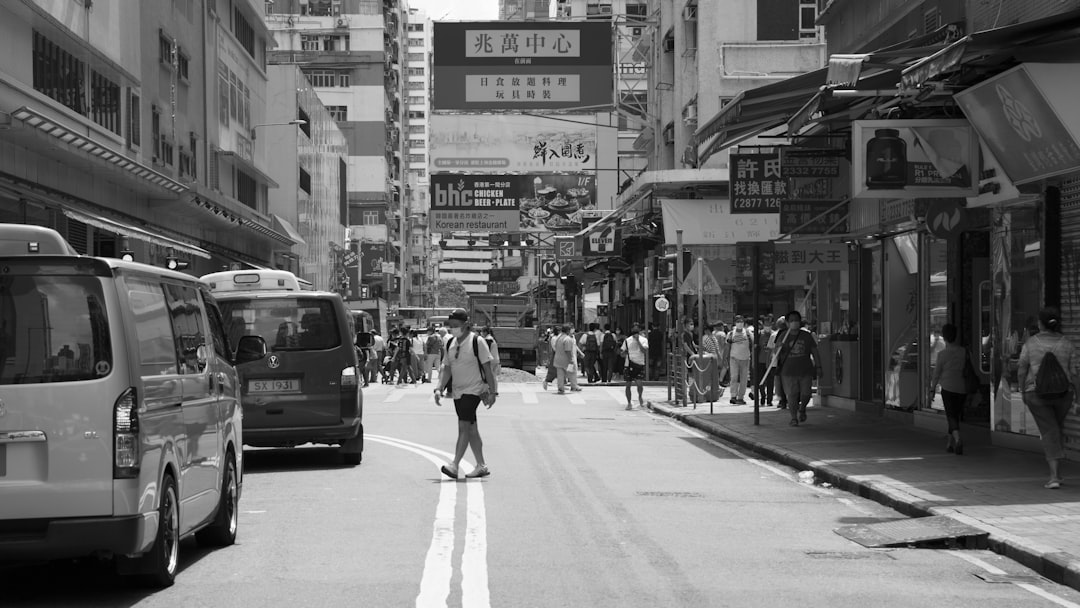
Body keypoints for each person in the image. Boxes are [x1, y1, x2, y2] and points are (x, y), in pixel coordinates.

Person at [1017, 307, 1078, 489]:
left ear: (1040, 324)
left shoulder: (1030, 343)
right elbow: (1074, 373)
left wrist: (1021, 390)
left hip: (1036, 394)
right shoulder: (1067, 343)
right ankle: (1057, 472)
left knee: (1050, 430)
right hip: (1064, 394)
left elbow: (1021, 369)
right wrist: (1078, 397)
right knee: (1054, 428)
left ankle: (1054, 477)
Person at [435, 308, 498, 480]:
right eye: (451, 326)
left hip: (474, 390)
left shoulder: (478, 342)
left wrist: (493, 391)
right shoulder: (450, 343)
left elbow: (488, 368)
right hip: (457, 391)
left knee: (463, 426)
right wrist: (439, 388)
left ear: (466, 325)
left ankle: (454, 465)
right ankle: (481, 465)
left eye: (456, 325)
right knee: (471, 429)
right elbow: (446, 368)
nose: (453, 329)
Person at [927, 323, 971, 455]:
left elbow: (936, 374)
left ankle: (957, 440)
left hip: (947, 388)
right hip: (962, 388)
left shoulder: (942, 354)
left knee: (950, 416)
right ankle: (949, 443)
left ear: (944, 337)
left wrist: (932, 389)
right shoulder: (964, 351)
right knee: (954, 416)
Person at [775, 311, 822, 426]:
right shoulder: (783, 336)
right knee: (791, 395)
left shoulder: (806, 336)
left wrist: (819, 366)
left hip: (805, 370)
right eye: (791, 320)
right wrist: (779, 348)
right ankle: (794, 418)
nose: (794, 322)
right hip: (788, 372)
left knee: (806, 394)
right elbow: (776, 354)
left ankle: (802, 408)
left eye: (796, 319)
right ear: (787, 323)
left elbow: (815, 352)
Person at [621, 323, 649, 410]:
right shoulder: (627, 340)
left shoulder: (644, 340)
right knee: (628, 384)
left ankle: (640, 396)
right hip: (629, 364)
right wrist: (623, 353)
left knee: (639, 384)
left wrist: (638, 341)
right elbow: (622, 352)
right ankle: (629, 402)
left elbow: (644, 351)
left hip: (639, 364)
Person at [727, 315, 753, 405]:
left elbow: (752, 345)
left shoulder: (748, 333)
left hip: (745, 359)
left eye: (741, 321)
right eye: (738, 321)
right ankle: (733, 396)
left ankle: (741, 397)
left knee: (744, 379)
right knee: (734, 377)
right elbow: (728, 346)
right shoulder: (731, 333)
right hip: (734, 358)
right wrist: (725, 359)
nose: (740, 323)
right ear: (735, 322)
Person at [756, 315, 774, 405]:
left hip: (771, 362)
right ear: (763, 325)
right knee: (761, 381)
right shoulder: (759, 334)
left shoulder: (774, 334)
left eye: (769, 324)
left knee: (770, 381)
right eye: (766, 324)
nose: (768, 326)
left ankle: (769, 400)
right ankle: (763, 396)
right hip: (761, 361)